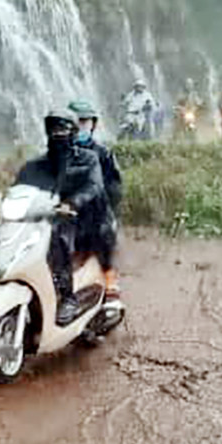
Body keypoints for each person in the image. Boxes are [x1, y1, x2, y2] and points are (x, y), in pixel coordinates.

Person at [15, 109, 106, 326]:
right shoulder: (37, 164)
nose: (58, 133)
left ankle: (67, 297)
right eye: (54, 128)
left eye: (63, 128)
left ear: (73, 132)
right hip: (45, 215)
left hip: (81, 217)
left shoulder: (88, 160)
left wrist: (73, 202)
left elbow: (94, 186)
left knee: (58, 236)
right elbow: (19, 188)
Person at [68, 99, 123, 300]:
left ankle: (109, 278)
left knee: (103, 234)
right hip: (66, 213)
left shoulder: (103, 153)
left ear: (93, 124)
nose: (82, 126)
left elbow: (114, 187)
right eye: (78, 122)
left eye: (86, 122)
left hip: (95, 214)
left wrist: (106, 207)